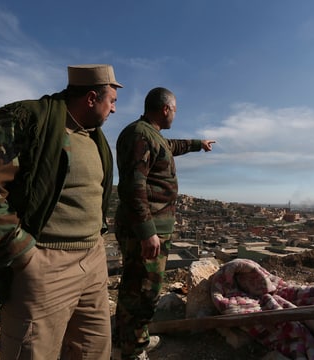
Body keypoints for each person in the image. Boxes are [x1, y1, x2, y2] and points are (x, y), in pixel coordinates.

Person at [0, 64, 123, 360]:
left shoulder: (94, 138)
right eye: (112, 101)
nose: (114, 110)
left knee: (93, 351)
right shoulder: (26, 121)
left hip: (92, 261)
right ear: (91, 98)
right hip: (45, 265)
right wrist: (23, 254)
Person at [113, 87, 215, 359]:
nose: (176, 115)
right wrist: (147, 232)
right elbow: (134, 187)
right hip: (147, 230)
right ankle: (132, 350)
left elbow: (173, 146)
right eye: (175, 110)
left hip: (148, 228)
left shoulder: (151, 135)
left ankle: (128, 340)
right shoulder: (140, 136)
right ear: (166, 109)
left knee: (135, 286)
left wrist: (198, 144)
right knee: (145, 291)